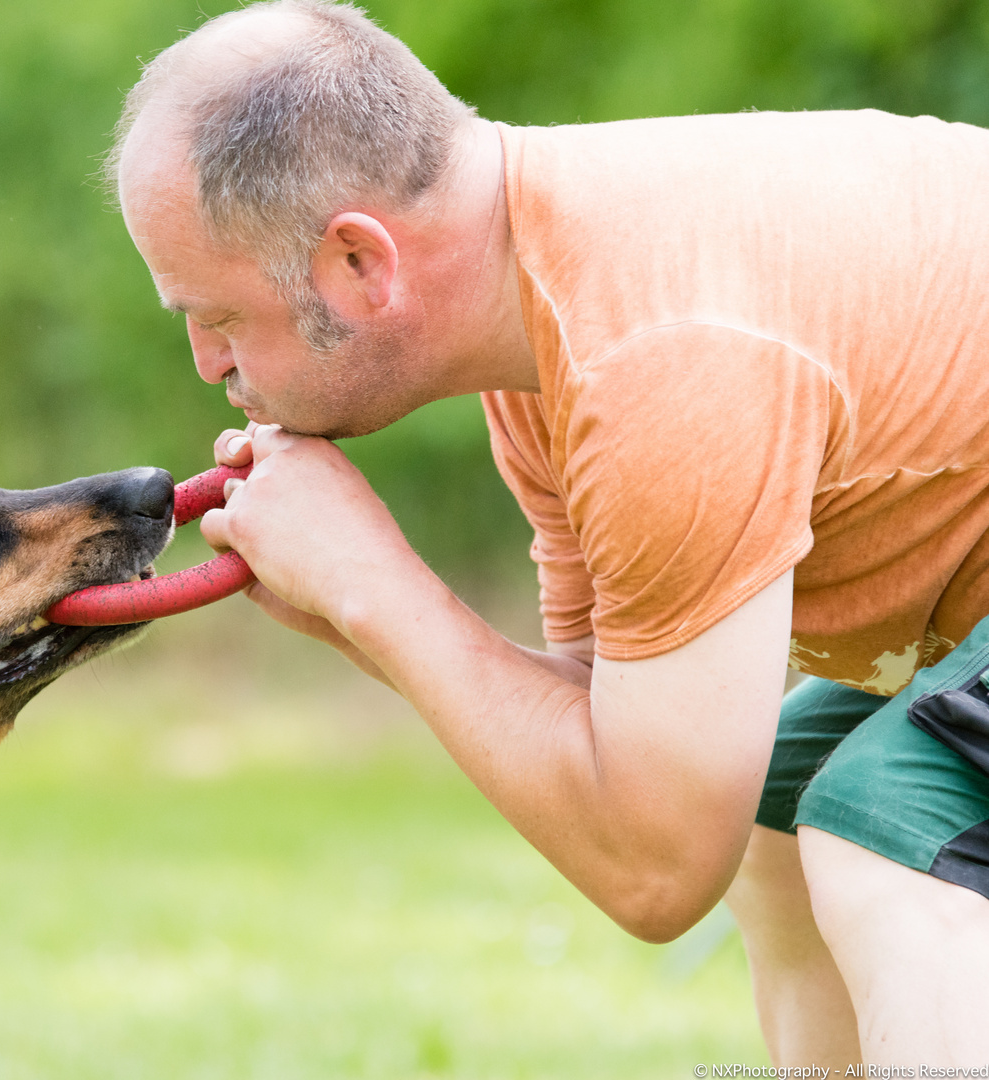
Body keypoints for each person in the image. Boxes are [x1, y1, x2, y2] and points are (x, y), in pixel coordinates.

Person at [107, 0, 989, 1066]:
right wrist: (350, 611)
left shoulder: (652, 360)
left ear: (358, 263)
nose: (208, 362)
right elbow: (609, 736)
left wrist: (378, 586)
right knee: (777, 818)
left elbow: (655, 868)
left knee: (890, 835)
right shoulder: (550, 323)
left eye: (217, 316)